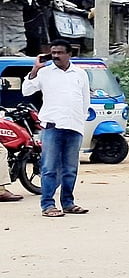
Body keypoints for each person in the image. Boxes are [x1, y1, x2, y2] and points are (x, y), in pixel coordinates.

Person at [22, 40, 90, 218]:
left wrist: (80, 120)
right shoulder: (44, 73)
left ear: (69, 54)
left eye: (60, 52)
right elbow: (26, 91)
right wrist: (35, 70)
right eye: (53, 53)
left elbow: (85, 100)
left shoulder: (80, 74)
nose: (56, 56)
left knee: (70, 169)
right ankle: (48, 205)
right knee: (49, 167)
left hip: (74, 126)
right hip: (52, 126)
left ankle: (68, 203)